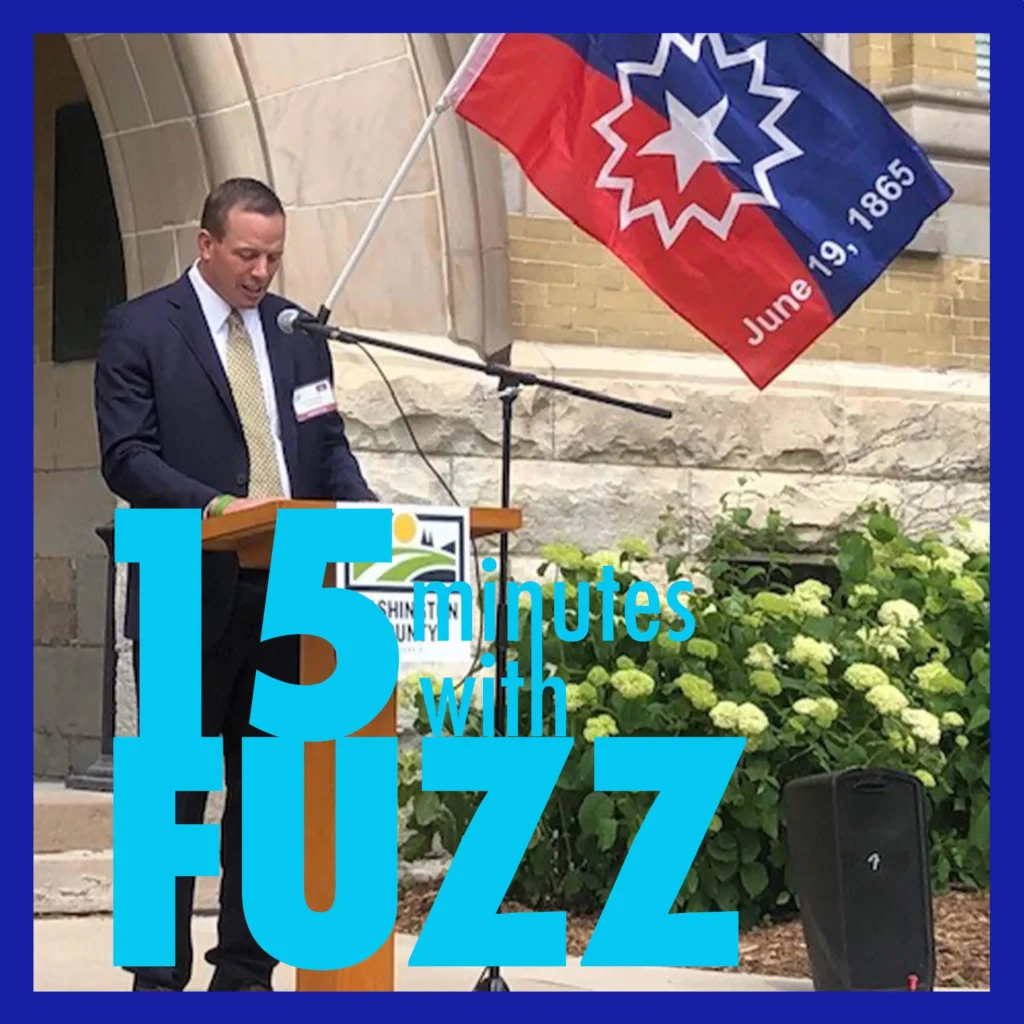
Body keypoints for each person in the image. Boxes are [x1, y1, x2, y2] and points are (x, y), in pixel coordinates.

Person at [94, 177, 377, 992]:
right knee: (173, 796)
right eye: (248, 254)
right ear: (206, 243)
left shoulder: (297, 335)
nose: (262, 272)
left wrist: (374, 520)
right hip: (191, 577)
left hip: (289, 583)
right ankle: (156, 980)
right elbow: (127, 456)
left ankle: (246, 973)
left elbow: (326, 447)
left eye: (275, 256)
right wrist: (217, 505)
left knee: (271, 794)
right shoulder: (142, 327)